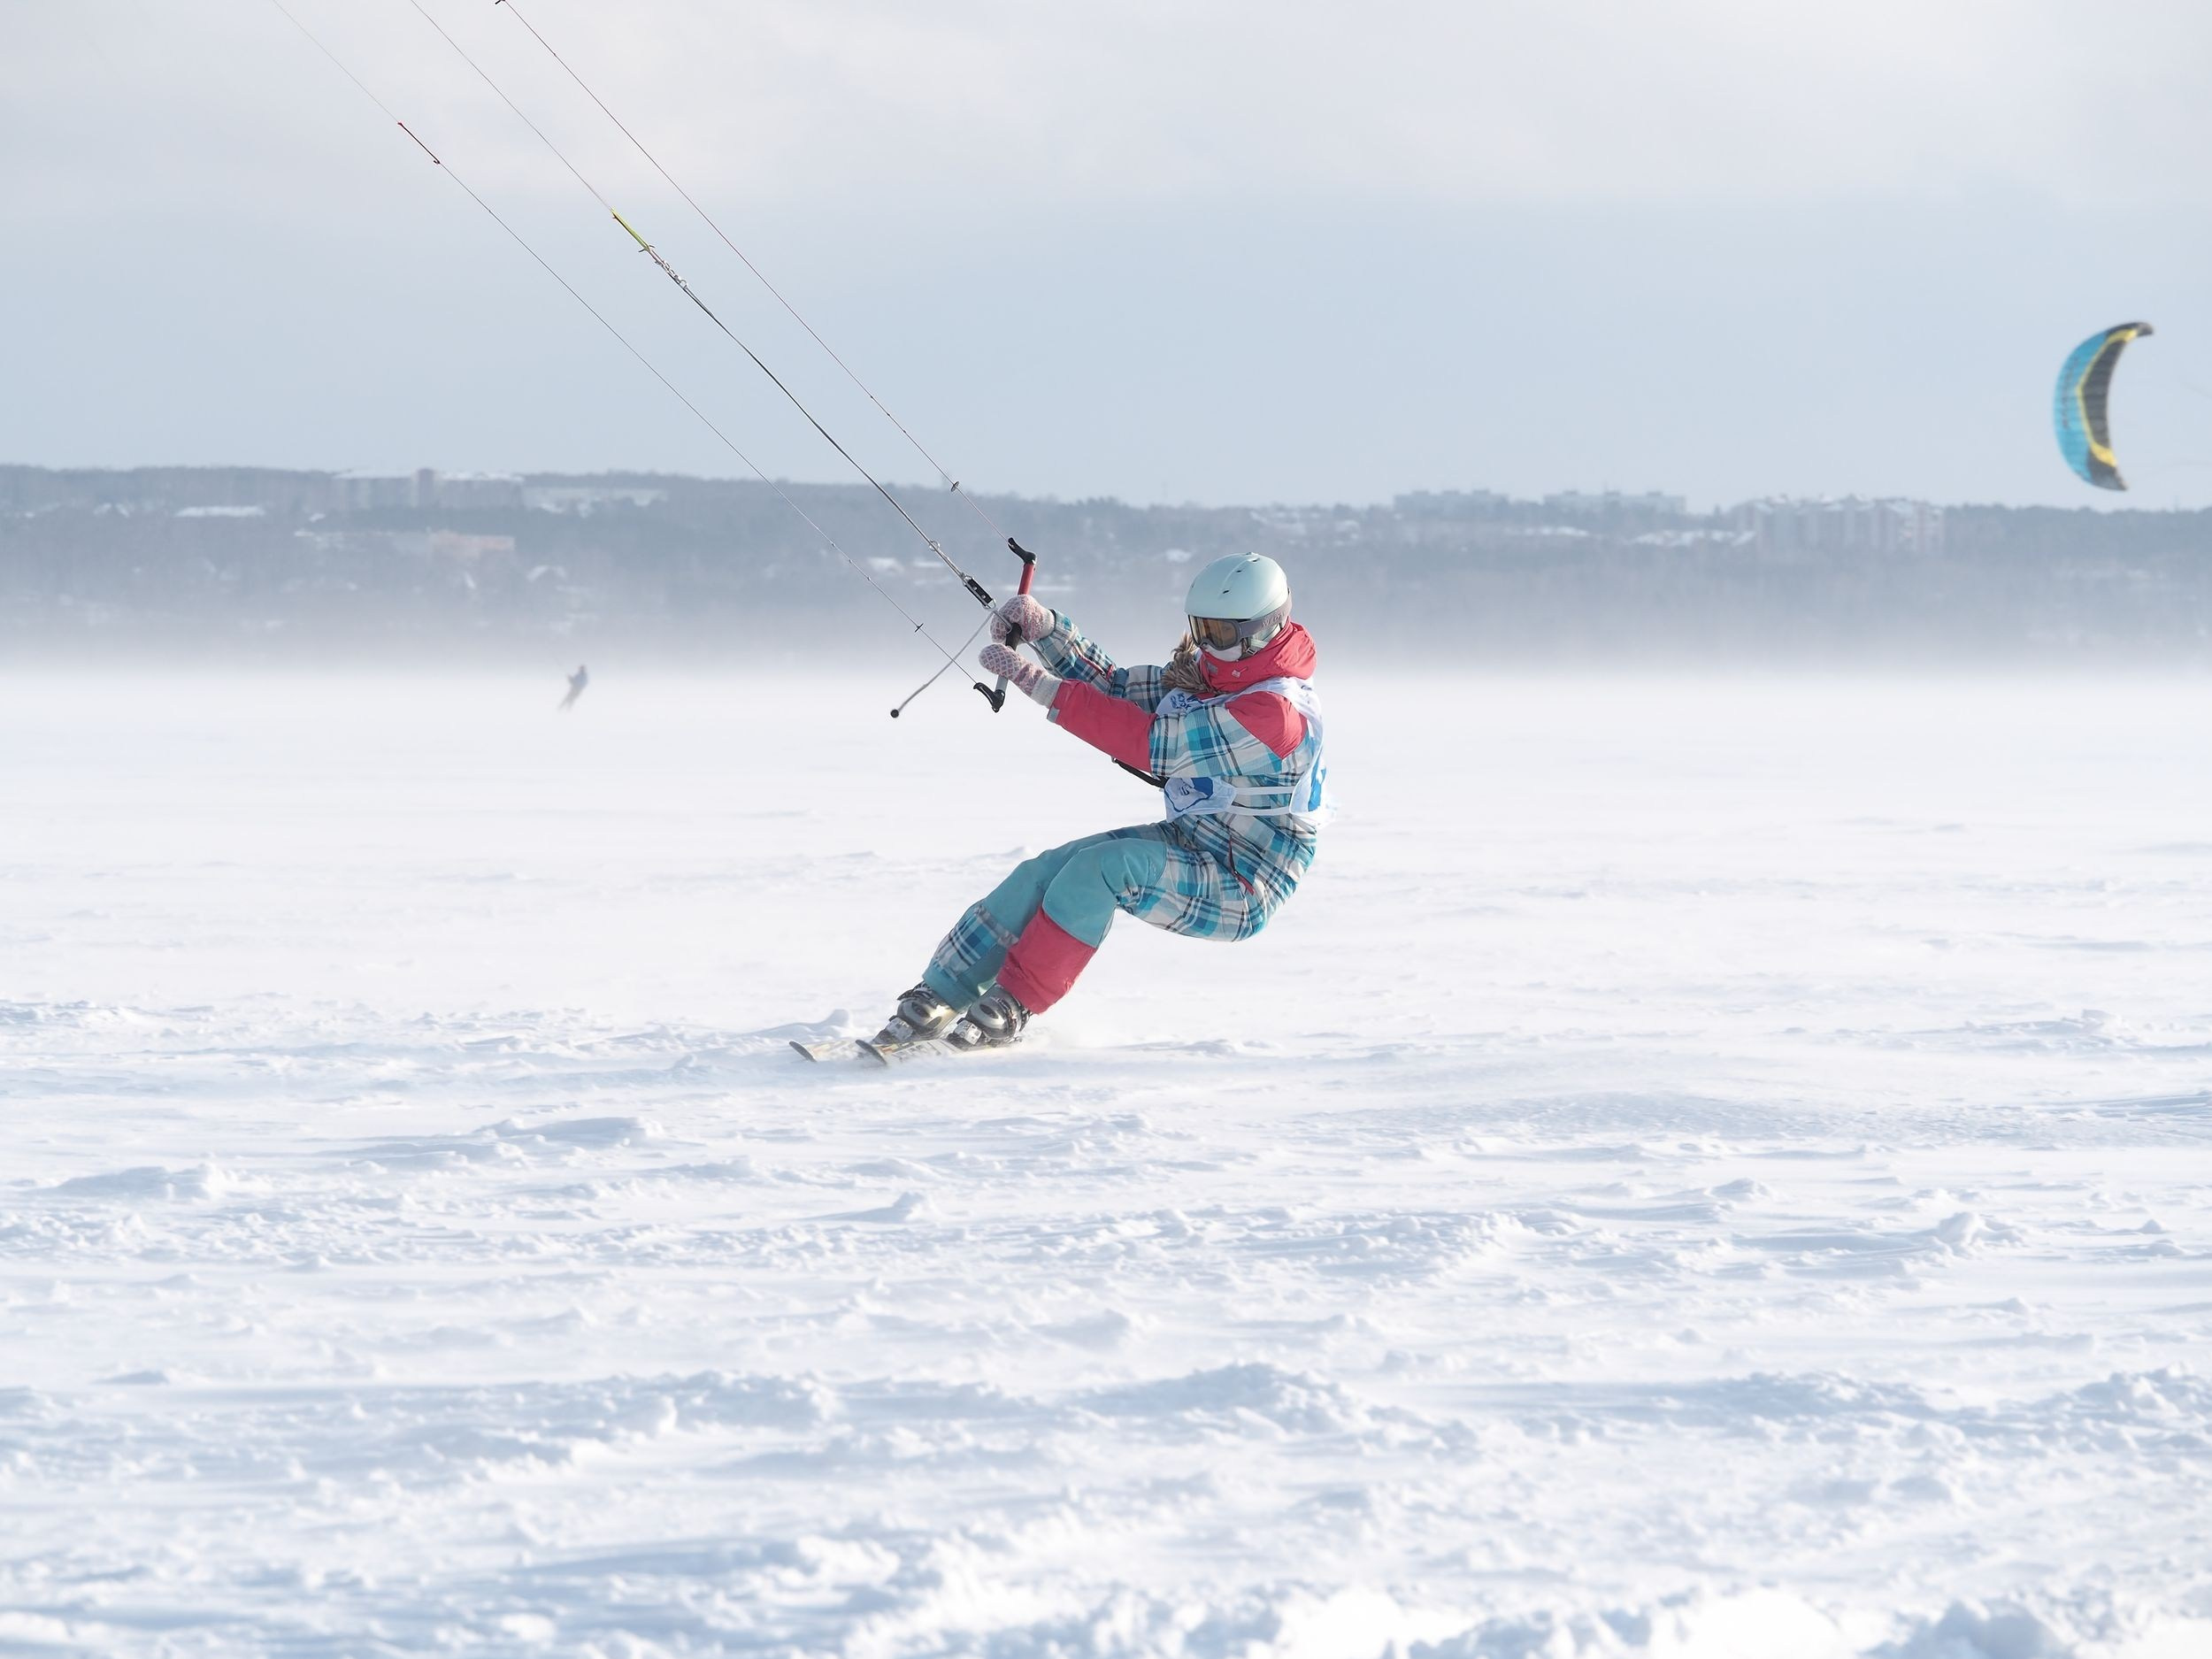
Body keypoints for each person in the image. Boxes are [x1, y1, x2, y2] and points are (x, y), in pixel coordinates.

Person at [874, 551, 1325, 1050]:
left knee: (1102, 870)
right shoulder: (1216, 674)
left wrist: (1040, 687)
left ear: (1262, 628)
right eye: (1200, 629)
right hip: (1195, 839)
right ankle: (940, 992)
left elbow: (1158, 744)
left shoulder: (1275, 715)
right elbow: (1117, 690)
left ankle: (1012, 1005)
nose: (1205, 645)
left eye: (1218, 633)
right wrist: (1047, 630)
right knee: (1046, 872)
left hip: (1241, 881)